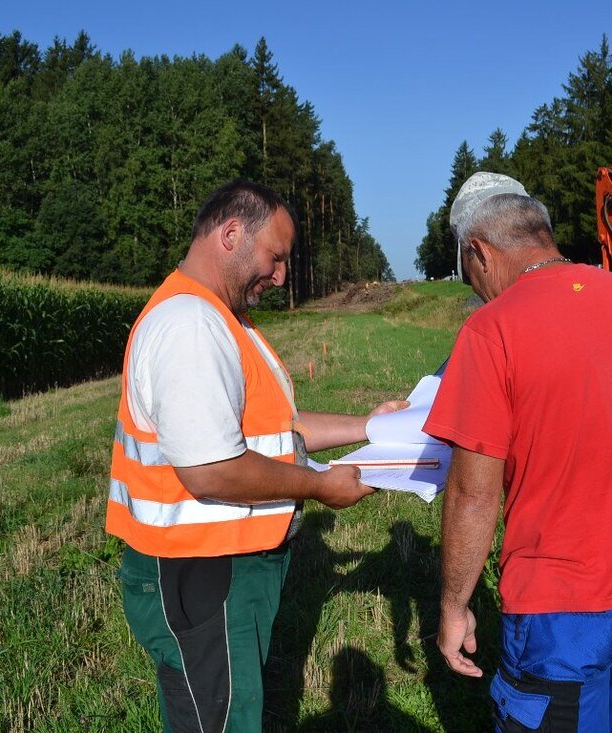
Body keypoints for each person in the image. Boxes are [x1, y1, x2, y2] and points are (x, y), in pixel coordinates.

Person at [106, 179, 405, 732]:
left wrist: (369, 424)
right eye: (276, 257)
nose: (281, 275)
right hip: (199, 573)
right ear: (232, 234)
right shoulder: (190, 326)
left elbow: (279, 430)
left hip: (214, 567)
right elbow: (212, 470)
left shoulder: (220, 319)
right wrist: (320, 487)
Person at [424, 172, 612, 732]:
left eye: (467, 270)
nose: (473, 285)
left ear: (478, 251)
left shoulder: (490, 330)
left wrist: (454, 606)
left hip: (562, 606)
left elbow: (474, 495)